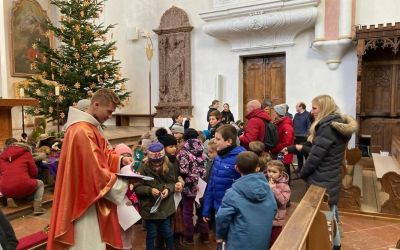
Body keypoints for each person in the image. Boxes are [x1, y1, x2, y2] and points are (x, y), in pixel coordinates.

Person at [47, 89, 133, 249]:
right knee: (87, 240)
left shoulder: (89, 127)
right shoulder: (82, 131)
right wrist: (123, 182)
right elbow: (95, 171)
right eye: (109, 111)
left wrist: (120, 160)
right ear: (96, 104)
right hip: (84, 198)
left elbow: (101, 155)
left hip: (87, 194)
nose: (110, 116)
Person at [284, 94, 357, 250]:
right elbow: (322, 152)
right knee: (331, 212)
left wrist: (302, 173)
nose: (311, 111)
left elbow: (315, 157)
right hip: (331, 176)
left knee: (324, 218)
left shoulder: (327, 128)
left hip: (322, 178)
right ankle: (336, 243)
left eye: (315, 108)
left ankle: (332, 245)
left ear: (324, 108)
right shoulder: (336, 125)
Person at [215, 151, 277, 250]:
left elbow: (222, 217)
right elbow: (274, 209)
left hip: (238, 242)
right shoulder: (268, 189)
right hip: (261, 240)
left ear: (236, 168)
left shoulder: (232, 193)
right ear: (257, 168)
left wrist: (220, 236)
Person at [135, 142, 176, 250]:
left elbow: (172, 182)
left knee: (167, 233)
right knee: (151, 235)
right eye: (154, 163)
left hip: (165, 207)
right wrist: (149, 190)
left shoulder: (169, 165)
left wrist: (168, 189)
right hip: (150, 207)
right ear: (149, 158)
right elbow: (137, 186)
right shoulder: (143, 167)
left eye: (159, 162)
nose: (157, 165)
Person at [202, 125, 246, 225]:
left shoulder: (240, 159)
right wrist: (207, 208)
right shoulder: (218, 157)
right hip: (218, 209)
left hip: (233, 211)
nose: (215, 141)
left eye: (218, 139)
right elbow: (211, 184)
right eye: (215, 138)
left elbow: (244, 187)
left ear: (229, 142)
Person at [177, 129, 209, 245]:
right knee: (201, 210)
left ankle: (188, 237)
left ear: (185, 139)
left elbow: (183, 170)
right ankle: (205, 235)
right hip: (201, 183)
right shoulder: (202, 149)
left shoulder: (183, 152)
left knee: (187, 211)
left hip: (189, 184)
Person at [0, 138, 45, 215]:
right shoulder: (26, 153)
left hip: (4, 188)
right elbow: (34, 172)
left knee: (7, 182)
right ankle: (37, 207)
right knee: (40, 183)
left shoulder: (2, 156)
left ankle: (9, 197)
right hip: (23, 184)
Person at [265, 160, 291, 247]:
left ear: (280, 173)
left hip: (276, 219)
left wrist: (273, 189)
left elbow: (283, 201)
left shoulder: (284, 186)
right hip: (265, 217)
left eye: (274, 172)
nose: (270, 174)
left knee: (274, 241)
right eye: (269, 171)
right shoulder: (264, 181)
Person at [271, 104, 294, 185]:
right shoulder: (278, 123)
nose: (273, 113)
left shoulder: (286, 126)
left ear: (278, 113)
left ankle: (286, 188)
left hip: (284, 152)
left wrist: (274, 148)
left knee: (285, 170)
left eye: (274, 112)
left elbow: (286, 143)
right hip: (279, 151)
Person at [292, 102, 311, 172]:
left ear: (301, 107)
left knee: (306, 153)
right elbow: (293, 124)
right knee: (298, 153)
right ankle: (300, 168)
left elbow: (309, 126)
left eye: (297, 106)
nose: (296, 108)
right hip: (296, 137)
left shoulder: (308, 114)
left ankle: (307, 169)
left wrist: (308, 135)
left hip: (304, 137)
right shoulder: (296, 115)